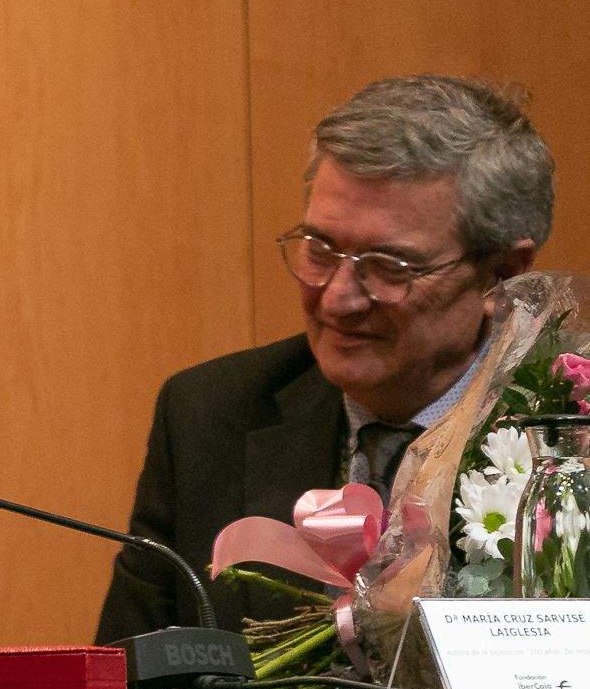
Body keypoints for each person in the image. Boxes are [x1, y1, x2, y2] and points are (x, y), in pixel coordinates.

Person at [97, 75, 553, 643]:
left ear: (502, 274)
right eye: (320, 250)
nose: (337, 297)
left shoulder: (568, 434)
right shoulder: (208, 416)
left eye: (389, 267)